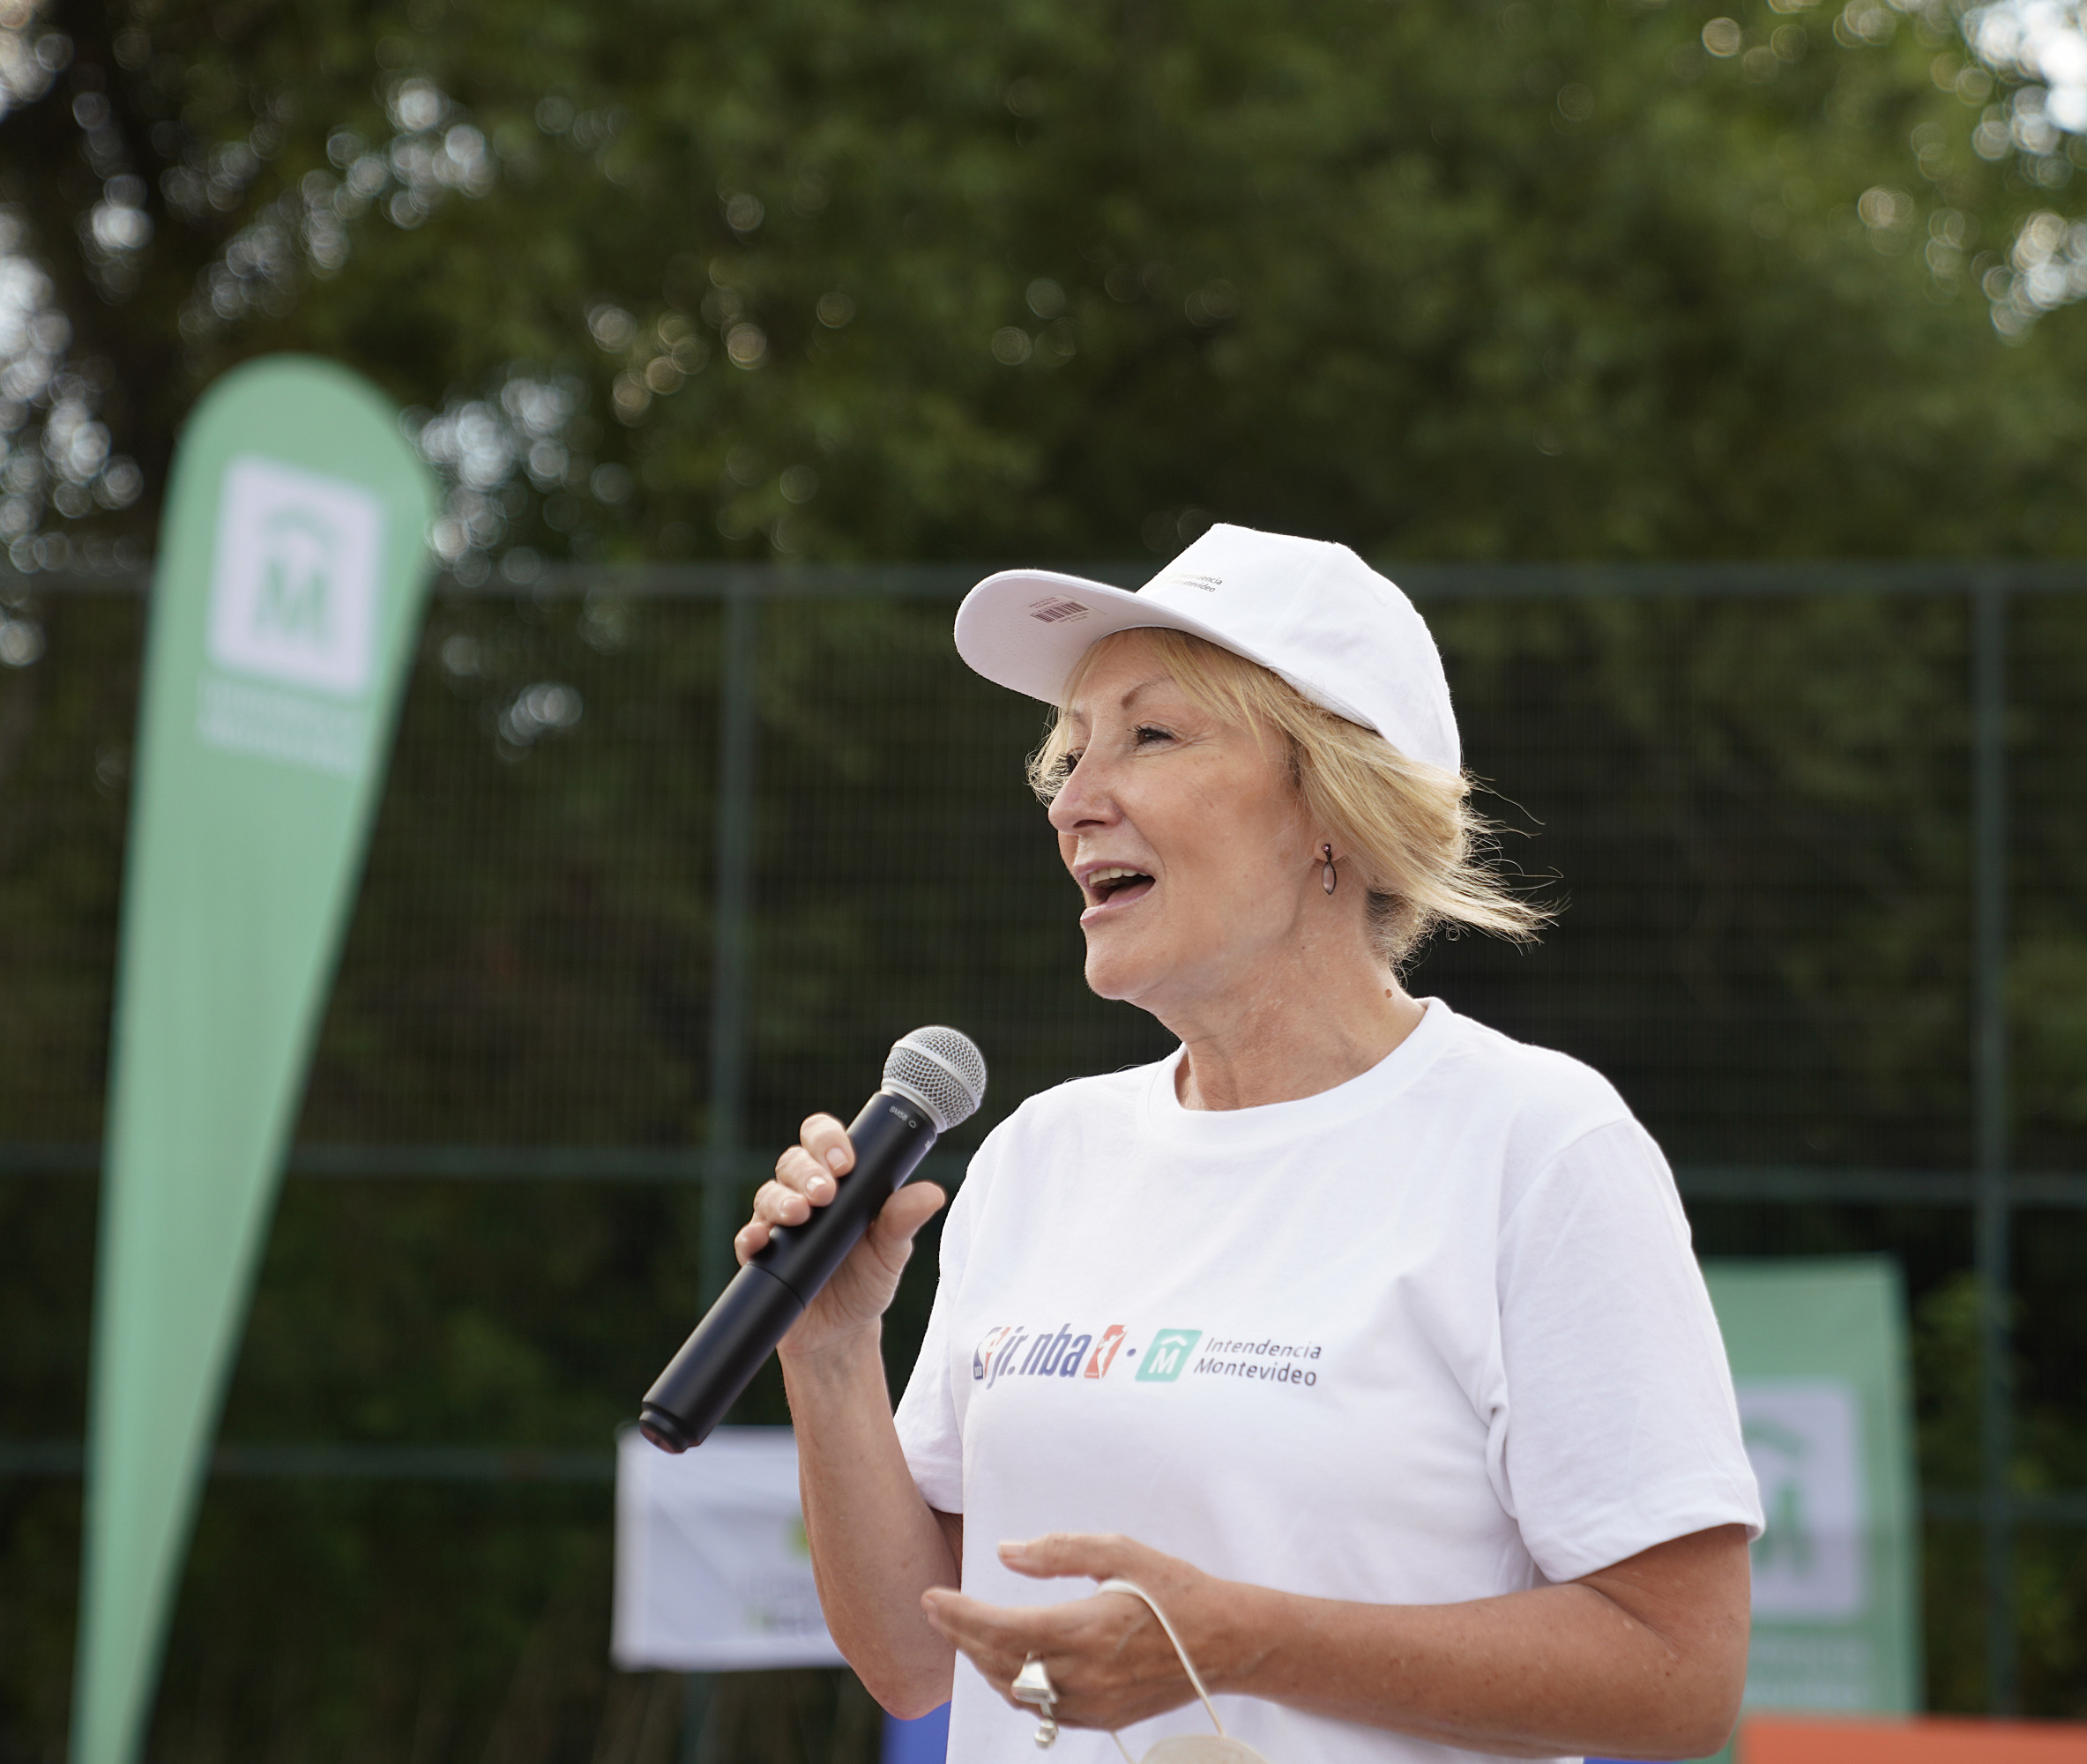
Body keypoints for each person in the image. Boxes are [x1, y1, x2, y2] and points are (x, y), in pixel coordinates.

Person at [741, 526, 1764, 1763]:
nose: (1072, 801)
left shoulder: (1536, 1146)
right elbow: (916, 1664)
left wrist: (1241, 1642)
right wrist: (829, 1350)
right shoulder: (1037, 1156)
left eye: (1151, 736)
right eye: (1072, 749)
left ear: (1333, 806)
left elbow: (1680, 1674)